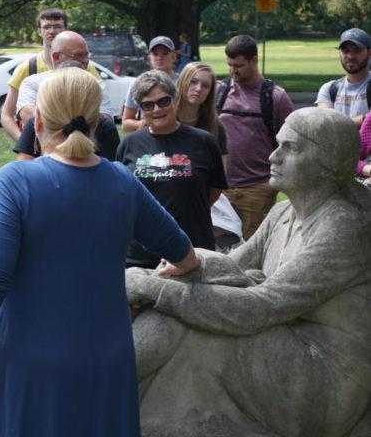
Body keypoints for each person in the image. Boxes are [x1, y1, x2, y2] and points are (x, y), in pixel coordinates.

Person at [0, 67, 197, 436]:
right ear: (98, 123)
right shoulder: (122, 182)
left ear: (39, 121)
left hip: (27, 365)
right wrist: (183, 266)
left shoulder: (15, 182)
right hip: (106, 361)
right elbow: (181, 249)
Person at [126, 108, 371, 436]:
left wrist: (156, 290)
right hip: (283, 338)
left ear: (329, 164)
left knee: (179, 316)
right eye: (278, 144)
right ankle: (113, 396)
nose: (273, 156)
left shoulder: (342, 227)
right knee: (172, 307)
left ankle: (105, 394)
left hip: (325, 377)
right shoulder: (283, 212)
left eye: (292, 148)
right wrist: (173, 269)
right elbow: (230, 264)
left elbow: (261, 306)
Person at [116, 71, 227, 268]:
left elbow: (213, 191)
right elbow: (122, 195)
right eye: (148, 105)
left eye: (163, 101)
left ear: (175, 100)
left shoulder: (204, 141)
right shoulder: (129, 144)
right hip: (140, 256)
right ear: (140, 109)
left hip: (193, 250)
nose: (157, 109)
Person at [217, 34, 294, 240]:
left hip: (257, 189)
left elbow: (291, 142)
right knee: (218, 251)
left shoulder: (275, 96)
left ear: (254, 60)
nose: (233, 70)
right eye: (229, 65)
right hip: (220, 190)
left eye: (238, 65)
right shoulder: (219, 92)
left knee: (253, 253)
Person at [13, 61, 120, 162]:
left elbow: (23, 165)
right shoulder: (122, 176)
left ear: (38, 123)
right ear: (95, 123)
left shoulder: (15, 174)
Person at [15, 30, 114, 127]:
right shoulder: (33, 83)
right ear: (56, 57)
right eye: (78, 55)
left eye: (86, 55)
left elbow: (106, 122)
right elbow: (28, 115)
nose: (85, 61)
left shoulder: (97, 85)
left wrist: (52, 117)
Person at [0, 8, 67, 140]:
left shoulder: (83, 66)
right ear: (39, 31)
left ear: (65, 29)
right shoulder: (27, 68)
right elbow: (6, 114)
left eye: (57, 26)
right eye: (47, 27)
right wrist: (24, 143)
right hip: (37, 150)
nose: (52, 31)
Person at [120, 35, 178, 132]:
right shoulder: (138, 83)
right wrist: (143, 123)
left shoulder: (184, 81)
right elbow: (125, 123)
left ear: (174, 56)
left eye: (165, 53)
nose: (160, 57)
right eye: (155, 54)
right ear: (149, 58)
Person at [316, 27, 370, 126]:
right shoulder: (329, 89)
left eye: (357, 50)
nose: (350, 56)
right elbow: (327, 123)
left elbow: (334, 125)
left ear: (369, 53)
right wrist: (364, 119)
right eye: (345, 51)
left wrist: (341, 124)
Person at [174, 61, 227, 162]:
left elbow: (221, 172)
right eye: (193, 82)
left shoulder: (215, 126)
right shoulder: (163, 117)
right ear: (183, 81)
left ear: (210, 92)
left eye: (205, 86)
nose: (198, 89)